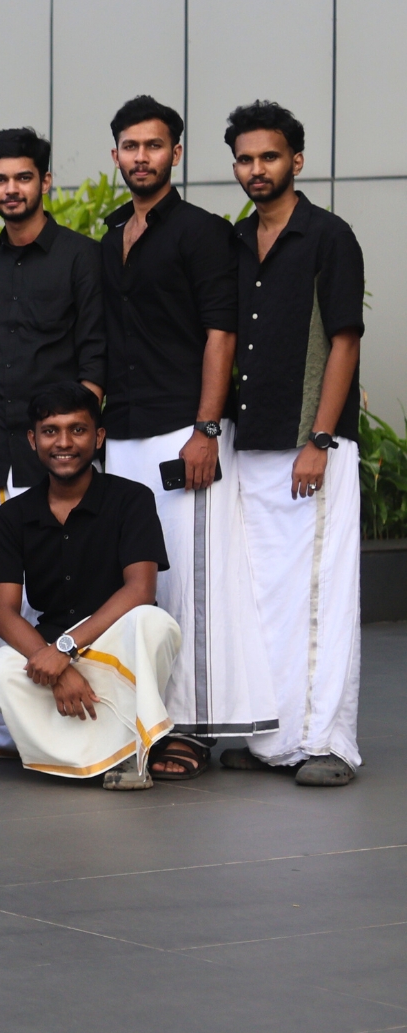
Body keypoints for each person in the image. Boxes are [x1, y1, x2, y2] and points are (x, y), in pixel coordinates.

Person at [97, 97, 271, 780]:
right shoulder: (112, 235)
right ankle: (144, 718)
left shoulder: (203, 232)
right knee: (139, 584)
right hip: (124, 432)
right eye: (130, 145)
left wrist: (206, 427)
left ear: (175, 152)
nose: (140, 157)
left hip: (184, 431)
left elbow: (221, 333)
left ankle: (194, 727)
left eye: (153, 145)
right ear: (116, 154)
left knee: (193, 586)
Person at [0, 127, 105, 756]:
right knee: (3, 589)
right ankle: (0, 729)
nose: (11, 189)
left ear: (45, 182)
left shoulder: (80, 257)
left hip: (61, 457)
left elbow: (94, 354)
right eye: (0, 180)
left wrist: (73, 444)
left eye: (22, 177)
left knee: (66, 583)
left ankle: (76, 715)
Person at [223, 102, 364, 787]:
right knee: (261, 598)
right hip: (250, 443)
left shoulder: (328, 236)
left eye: (269, 157)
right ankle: (267, 739)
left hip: (312, 445)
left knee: (317, 597)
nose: (257, 169)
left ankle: (324, 743)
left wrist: (320, 438)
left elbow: (345, 341)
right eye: (245, 159)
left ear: (296, 161)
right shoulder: (234, 241)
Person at [0, 384, 180, 791]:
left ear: (98, 437)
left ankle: (127, 751)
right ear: (33, 439)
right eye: (50, 431)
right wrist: (54, 664)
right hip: (52, 650)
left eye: (78, 430)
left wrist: (65, 650)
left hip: (117, 644)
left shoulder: (131, 499)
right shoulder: (13, 515)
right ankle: (103, 755)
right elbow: (4, 613)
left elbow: (140, 590)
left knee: (152, 622)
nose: (64, 443)